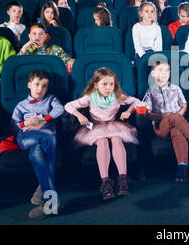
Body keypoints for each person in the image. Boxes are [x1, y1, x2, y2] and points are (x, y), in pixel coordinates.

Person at [65, 67, 141, 199]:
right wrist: (79, 115)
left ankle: (122, 179)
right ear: (96, 85)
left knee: (117, 139)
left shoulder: (117, 96)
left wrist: (128, 111)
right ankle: (105, 181)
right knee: (102, 142)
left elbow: (136, 101)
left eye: (111, 84)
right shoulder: (89, 98)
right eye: (104, 84)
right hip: (96, 128)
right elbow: (68, 106)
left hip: (113, 126)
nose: (108, 88)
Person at [10, 69, 64, 219]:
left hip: (46, 134)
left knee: (37, 154)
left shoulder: (51, 99)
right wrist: (24, 122)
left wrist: (43, 121)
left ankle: (49, 199)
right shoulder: (21, 105)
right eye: (37, 84)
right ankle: (48, 196)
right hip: (27, 136)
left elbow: (60, 109)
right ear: (29, 85)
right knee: (49, 140)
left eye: (44, 86)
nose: (40, 89)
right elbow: (13, 126)